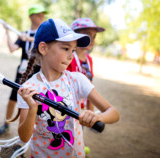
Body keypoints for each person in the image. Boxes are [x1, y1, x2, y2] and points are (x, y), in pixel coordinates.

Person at [16, 18, 120, 157]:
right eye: (66, 49)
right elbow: (24, 137)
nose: (71, 55)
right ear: (44, 48)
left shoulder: (77, 80)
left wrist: (97, 117)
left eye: (73, 49)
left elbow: (113, 113)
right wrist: (32, 109)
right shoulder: (29, 88)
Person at [0, 5, 47, 136]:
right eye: (38, 14)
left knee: (33, 104)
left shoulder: (43, 34)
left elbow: (43, 46)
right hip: (22, 73)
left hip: (38, 74)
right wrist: (7, 32)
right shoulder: (24, 33)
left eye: (42, 14)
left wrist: (28, 39)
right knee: (12, 100)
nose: (41, 16)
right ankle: (6, 124)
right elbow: (12, 48)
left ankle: (28, 134)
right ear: (31, 16)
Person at [67, 18, 105, 112]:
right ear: (75, 35)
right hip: (68, 109)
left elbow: (89, 86)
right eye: (88, 34)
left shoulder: (89, 60)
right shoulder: (68, 58)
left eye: (94, 36)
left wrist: (91, 111)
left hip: (82, 111)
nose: (92, 39)